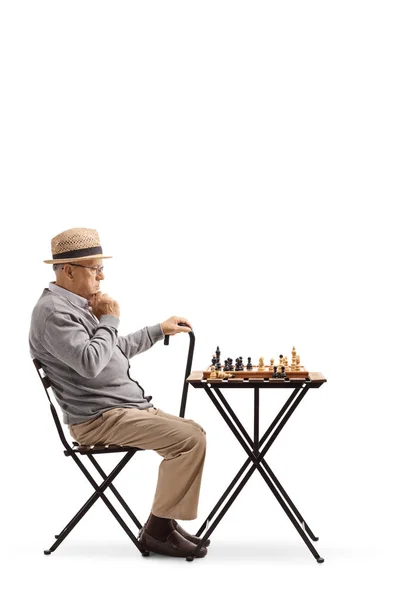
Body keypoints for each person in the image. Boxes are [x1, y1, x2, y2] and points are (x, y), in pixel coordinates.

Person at [29, 227, 208, 559]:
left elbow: (112, 350)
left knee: (194, 430)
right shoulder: (54, 312)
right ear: (68, 271)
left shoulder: (76, 305)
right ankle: (157, 530)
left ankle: (163, 522)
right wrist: (110, 318)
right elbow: (91, 362)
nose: (102, 276)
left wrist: (157, 331)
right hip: (98, 420)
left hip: (124, 409)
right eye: (95, 269)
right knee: (188, 439)